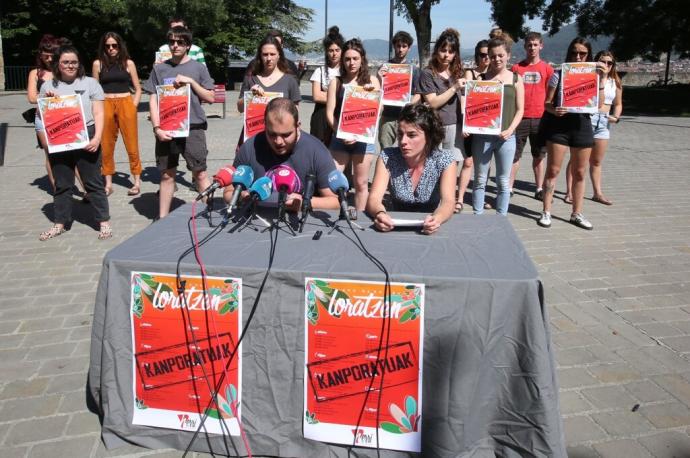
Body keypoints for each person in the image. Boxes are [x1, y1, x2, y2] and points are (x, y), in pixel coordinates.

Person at [38, 45, 112, 241]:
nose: (70, 66)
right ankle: (60, 223)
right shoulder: (47, 86)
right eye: (65, 62)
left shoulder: (90, 83)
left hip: (86, 134)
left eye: (73, 62)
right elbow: (40, 114)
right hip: (59, 138)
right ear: (58, 64)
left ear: (79, 64)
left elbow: (99, 112)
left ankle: (104, 222)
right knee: (62, 183)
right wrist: (47, 102)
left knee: (93, 182)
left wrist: (97, 138)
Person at [145, 26, 215, 219]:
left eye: (180, 42)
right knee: (167, 175)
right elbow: (153, 99)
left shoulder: (198, 68)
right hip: (167, 129)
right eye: (172, 42)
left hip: (193, 127)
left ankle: (210, 215)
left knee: (200, 173)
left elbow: (210, 97)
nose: (175, 45)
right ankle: (162, 219)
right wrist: (157, 128)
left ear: (188, 45)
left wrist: (191, 83)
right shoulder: (159, 69)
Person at [224, 98, 339, 211]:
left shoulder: (317, 151)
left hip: (299, 225)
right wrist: (241, 197)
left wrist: (305, 202)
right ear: (265, 126)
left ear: (298, 126)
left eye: (286, 135)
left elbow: (335, 201)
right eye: (272, 134)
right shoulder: (250, 147)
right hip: (255, 222)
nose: (278, 141)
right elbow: (228, 193)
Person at [538, 37, 605, 230]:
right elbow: (547, 103)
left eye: (582, 53)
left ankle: (576, 213)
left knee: (580, 172)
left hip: (582, 125)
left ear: (588, 55)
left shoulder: (595, 76)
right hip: (559, 126)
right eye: (574, 52)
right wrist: (554, 109)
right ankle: (546, 211)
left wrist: (602, 78)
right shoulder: (559, 74)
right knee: (553, 170)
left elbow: (599, 104)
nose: (578, 56)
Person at [367, 103, 457, 235]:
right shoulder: (388, 157)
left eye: (411, 135)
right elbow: (374, 198)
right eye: (400, 134)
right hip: (394, 227)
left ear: (429, 136)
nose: (402, 141)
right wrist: (380, 214)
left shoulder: (445, 160)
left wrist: (436, 219)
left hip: (430, 228)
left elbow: (448, 202)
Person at [470, 32, 524, 215]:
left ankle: (501, 218)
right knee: (479, 180)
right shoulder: (481, 80)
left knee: (503, 181)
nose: (496, 59)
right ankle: (478, 216)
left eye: (500, 55)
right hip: (483, 137)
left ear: (508, 55)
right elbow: (473, 109)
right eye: (492, 56)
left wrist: (510, 130)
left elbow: (520, 110)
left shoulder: (516, 79)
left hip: (506, 138)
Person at [325, 38, 380, 211]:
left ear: (362, 59)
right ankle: (335, 214)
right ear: (342, 60)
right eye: (347, 59)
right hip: (340, 138)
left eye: (355, 58)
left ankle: (360, 217)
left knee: (361, 183)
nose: (351, 63)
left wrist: (373, 95)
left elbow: (379, 110)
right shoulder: (336, 81)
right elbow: (329, 112)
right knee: (332, 180)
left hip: (363, 140)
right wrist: (341, 133)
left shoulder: (371, 81)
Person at [565, 50, 622, 206]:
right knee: (576, 159)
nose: (606, 65)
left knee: (596, 161)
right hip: (588, 119)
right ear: (596, 62)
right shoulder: (589, 78)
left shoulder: (615, 81)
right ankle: (569, 192)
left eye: (610, 63)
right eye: (603, 61)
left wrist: (616, 117)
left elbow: (618, 104)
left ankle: (597, 193)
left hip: (604, 122)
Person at [418, 28, 466, 213]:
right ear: (436, 50)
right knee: (433, 167)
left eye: (451, 51)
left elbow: (463, 101)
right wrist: (454, 88)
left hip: (455, 126)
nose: (446, 55)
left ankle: (447, 205)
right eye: (443, 50)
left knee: (452, 167)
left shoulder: (457, 72)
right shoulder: (428, 74)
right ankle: (431, 204)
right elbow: (433, 101)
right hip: (435, 128)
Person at [92, 32, 142, 196]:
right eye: (108, 46)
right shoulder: (98, 64)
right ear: (103, 47)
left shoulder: (128, 63)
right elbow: (94, 89)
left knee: (132, 143)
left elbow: (138, 87)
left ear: (120, 46)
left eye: (114, 45)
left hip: (125, 103)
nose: (111, 49)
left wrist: (133, 105)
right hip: (105, 103)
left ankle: (136, 182)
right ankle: (108, 183)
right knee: (105, 145)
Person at [511, 31, 554, 200]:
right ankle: (509, 187)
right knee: (514, 156)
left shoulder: (547, 69)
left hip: (540, 118)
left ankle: (538, 188)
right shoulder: (516, 69)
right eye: (529, 45)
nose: (532, 48)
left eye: (535, 45)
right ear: (525, 47)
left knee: (539, 156)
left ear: (541, 46)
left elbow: (552, 92)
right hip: (520, 118)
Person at [377, 30, 422, 149]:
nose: (400, 49)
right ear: (394, 46)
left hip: (406, 116)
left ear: (409, 48)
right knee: (385, 150)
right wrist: (379, 78)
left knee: (406, 150)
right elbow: (377, 90)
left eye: (404, 46)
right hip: (388, 116)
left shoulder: (414, 70)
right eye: (398, 46)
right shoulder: (385, 67)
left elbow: (419, 93)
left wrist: (410, 104)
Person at [460, 39, 490, 210]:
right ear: (477, 56)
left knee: (485, 164)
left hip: (488, 125)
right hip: (471, 123)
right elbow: (464, 97)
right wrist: (465, 123)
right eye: (482, 55)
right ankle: (460, 197)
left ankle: (481, 195)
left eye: (488, 55)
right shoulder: (470, 73)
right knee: (468, 162)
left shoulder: (496, 74)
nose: (485, 58)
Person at [309, 26, 344, 145]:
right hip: (321, 118)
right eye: (331, 50)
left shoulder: (346, 72)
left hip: (340, 116)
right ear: (326, 52)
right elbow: (317, 96)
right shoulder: (319, 71)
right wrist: (339, 97)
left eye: (337, 50)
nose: (334, 54)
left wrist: (327, 95)